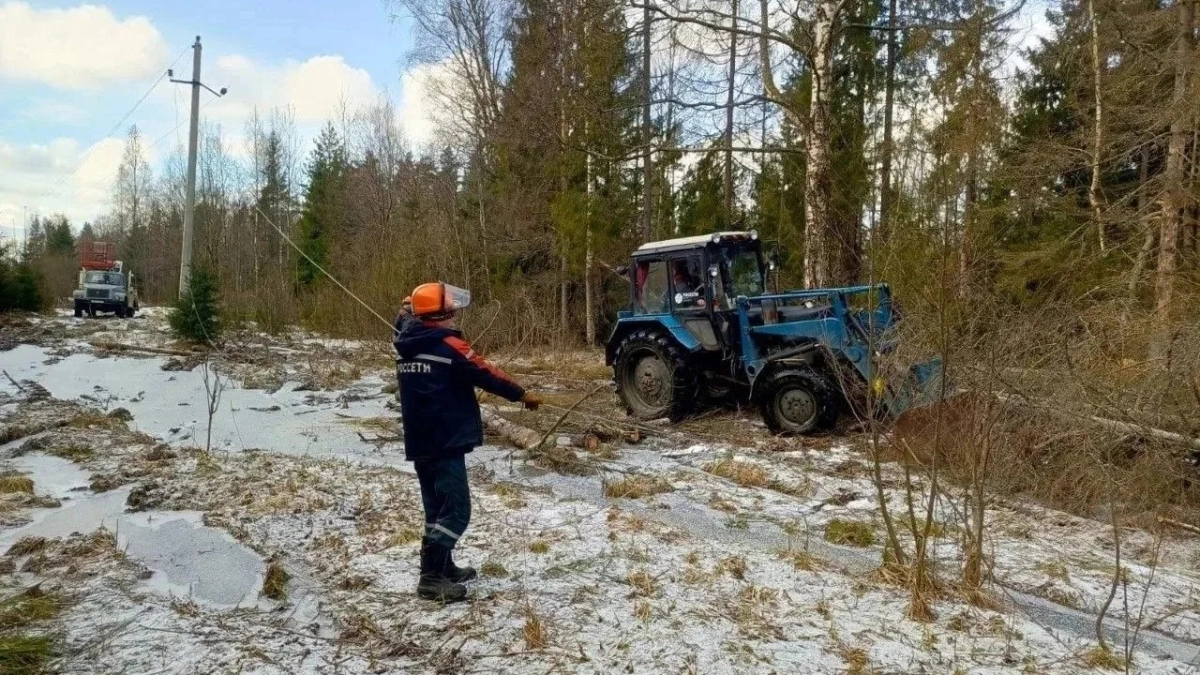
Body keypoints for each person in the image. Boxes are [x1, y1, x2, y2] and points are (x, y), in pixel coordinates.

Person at [394, 281, 542, 602]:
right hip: (445, 440)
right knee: (458, 511)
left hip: (421, 441)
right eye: (450, 313)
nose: (454, 318)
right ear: (440, 316)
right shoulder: (448, 345)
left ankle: (443, 566)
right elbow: (486, 372)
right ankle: (431, 577)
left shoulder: (406, 339)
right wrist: (522, 395)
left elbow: (403, 321)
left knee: (437, 508)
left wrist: (407, 311)